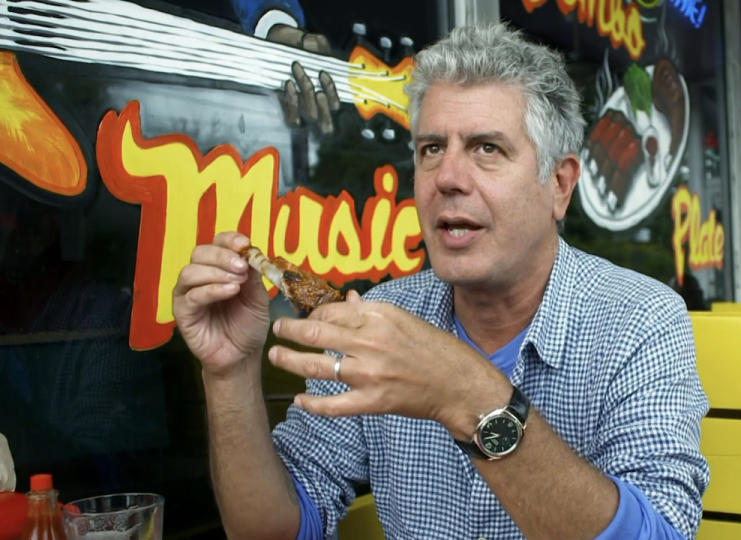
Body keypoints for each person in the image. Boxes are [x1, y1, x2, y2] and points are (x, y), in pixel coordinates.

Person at [172, 23, 709, 540]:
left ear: (560, 185)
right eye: (431, 149)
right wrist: (229, 374)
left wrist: (468, 396)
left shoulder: (641, 320)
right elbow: (270, 528)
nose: (447, 178)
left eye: (486, 149)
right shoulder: (381, 317)